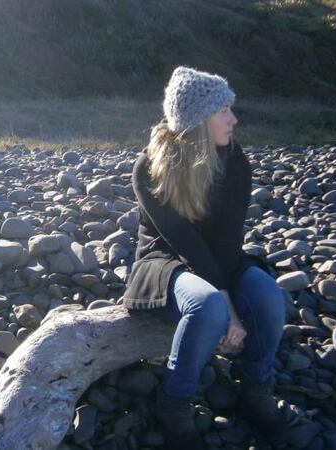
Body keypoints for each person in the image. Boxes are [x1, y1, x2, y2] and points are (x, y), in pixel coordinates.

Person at [122, 66, 292, 448]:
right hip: (163, 262)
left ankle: (255, 389)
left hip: (219, 257)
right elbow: (183, 242)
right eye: (224, 111)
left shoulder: (235, 162)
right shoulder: (149, 168)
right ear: (198, 120)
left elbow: (228, 238)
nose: (234, 119)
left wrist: (235, 296)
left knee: (267, 294)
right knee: (209, 306)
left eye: (231, 109)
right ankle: (175, 404)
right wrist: (229, 310)